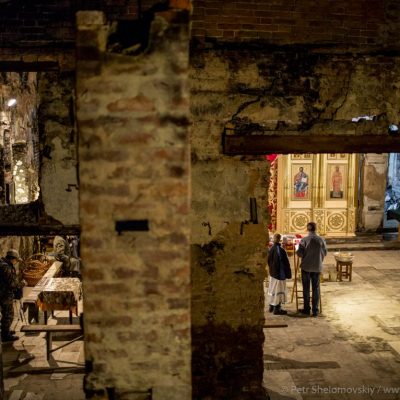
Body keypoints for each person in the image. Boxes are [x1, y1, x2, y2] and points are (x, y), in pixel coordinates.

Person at [296, 222, 327, 317]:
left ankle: (306, 309)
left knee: (306, 288)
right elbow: (325, 253)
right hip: (317, 266)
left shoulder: (304, 240)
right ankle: (315, 310)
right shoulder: (321, 239)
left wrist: (299, 250)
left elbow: (300, 254)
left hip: (306, 267)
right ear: (316, 229)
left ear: (307, 229)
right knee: (316, 288)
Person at [0, 249, 22, 342]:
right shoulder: (6, 268)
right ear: (12, 258)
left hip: (3, 293)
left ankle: (6, 331)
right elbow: (12, 284)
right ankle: (5, 335)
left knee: (5, 314)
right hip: (4, 294)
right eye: (16, 260)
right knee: (8, 315)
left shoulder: (2, 264)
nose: (16, 262)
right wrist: (22, 284)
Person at [267, 233, 292, 315]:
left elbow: (269, 260)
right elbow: (285, 263)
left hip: (273, 273)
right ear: (280, 239)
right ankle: (277, 308)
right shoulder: (280, 250)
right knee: (278, 290)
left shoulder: (271, 249)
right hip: (279, 274)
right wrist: (287, 274)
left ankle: (271, 306)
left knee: (272, 289)